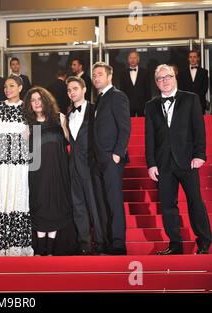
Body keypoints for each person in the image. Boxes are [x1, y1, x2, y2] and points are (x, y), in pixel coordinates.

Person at [145, 64, 211, 255]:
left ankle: (204, 241)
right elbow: (149, 137)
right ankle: (175, 244)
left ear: (175, 78)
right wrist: (151, 163)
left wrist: (199, 155)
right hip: (163, 163)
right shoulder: (150, 106)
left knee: (195, 202)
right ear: (157, 83)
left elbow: (199, 129)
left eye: (168, 77)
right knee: (167, 206)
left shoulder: (190, 99)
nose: (165, 81)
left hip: (187, 160)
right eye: (160, 78)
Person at [23, 86, 77, 256]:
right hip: (37, 174)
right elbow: (25, 151)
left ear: (46, 101)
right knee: (40, 205)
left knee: (56, 205)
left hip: (58, 171)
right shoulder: (28, 125)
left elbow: (71, 141)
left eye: (39, 99)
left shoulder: (59, 118)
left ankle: (51, 248)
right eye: (33, 100)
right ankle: (40, 247)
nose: (37, 103)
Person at [0, 75, 33, 256]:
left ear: (20, 87)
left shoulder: (28, 108)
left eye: (12, 86)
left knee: (18, 198)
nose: (7, 89)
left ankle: (17, 246)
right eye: (5, 86)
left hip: (20, 163)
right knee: (0, 198)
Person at [92, 62, 131, 255]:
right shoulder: (99, 98)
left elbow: (125, 126)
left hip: (112, 158)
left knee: (114, 202)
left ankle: (118, 244)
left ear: (109, 76)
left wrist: (118, 153)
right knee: (104, 202)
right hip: (99, 159)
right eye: (94, 75)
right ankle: (108, 242)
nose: (96, 77)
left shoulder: (117, 96)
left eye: (99, 74)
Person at [65, 76, 107, 255]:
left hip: (90, 166)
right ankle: (84, 244)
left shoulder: (94, 109)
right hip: (73, 166)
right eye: (69, 90)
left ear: (83, 89)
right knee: (78, 207)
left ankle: (100, 243)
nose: (72, 92)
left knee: (95, 207)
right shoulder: (67, 114)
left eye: (75, 88)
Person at [119, 51, 151, 117]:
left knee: (142, 124)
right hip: (128, 105)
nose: (132, 60)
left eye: (134, 58)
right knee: (128, 125)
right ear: (128, 60)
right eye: (130, 58)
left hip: (142, 105)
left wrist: (148, 105)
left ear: (138, 59)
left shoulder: (145, 72)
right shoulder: (123, 74)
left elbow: (148, 90)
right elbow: (122, 91)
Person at [178, 50, 209, 114]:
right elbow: (181, 88)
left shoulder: (204, 72)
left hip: (200, 103)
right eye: (190, 57)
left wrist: (195, 99)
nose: (192, 59)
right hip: (185, 103)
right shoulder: (182, 72)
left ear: (198, 58)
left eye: (194, 57)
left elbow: (204, 89)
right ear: (188, 58)